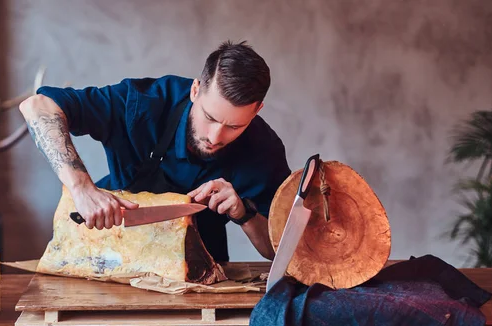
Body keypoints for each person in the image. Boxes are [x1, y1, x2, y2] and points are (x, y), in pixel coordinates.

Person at [19, 40, 291, 262]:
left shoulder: (263, 151)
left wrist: (244, 214)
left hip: (198, 272)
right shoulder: (143, 103)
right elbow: (37, 106)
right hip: (106, 250)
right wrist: (81, 188)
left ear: (256, 112)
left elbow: (279, 251)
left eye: (234, 126)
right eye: (209, 117)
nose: (214, 137)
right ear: (195, 90)